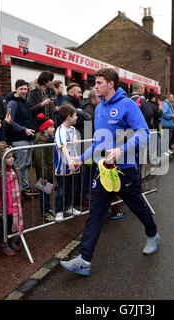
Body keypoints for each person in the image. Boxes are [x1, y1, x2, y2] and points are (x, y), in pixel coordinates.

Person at [60, 68, 159, 276]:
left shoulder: (128, 105)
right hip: (103, 171)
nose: (95, 86)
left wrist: (121, 150)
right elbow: (98, 142)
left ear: (111, 84)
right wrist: (81, 159)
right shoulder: (100, 109)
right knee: (95, 214)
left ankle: (152, 234)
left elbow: (144, 133)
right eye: (95, 83)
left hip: (125, 170)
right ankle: (85, 260)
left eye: (99, 82)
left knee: (138, 207)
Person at [0, 142, 24, 256]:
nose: (12, 159)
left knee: (12, 226)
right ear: (1, 159)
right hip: (5, 206)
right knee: (5, 227)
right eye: (9, 157)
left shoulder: (12, 169)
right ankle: (4, 244)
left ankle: (10, 241)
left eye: (12, 156)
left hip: (14, 204)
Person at [7, 79, 37, 198]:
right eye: (21, 89)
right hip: (19, 139)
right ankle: (18, 189)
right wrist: (24, 130)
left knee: (26, 165)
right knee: (19, 166)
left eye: (26, 89)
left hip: (28, 138)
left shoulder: (25, 102)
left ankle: (24, 188)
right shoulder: (12, 103)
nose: (24, 91)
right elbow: (9, 121)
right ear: (16, 89)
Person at [53, 103, 82, 222]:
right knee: (61, 190)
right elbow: (62, 146)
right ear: (68, 117)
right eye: (75, 115)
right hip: (63, 165)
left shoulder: (74, 129)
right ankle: (59, 211)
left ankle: (69, 207)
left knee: (72, 187)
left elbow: (75, 143)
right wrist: (69, 160)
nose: (77, 118)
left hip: (73, 163)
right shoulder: (60, 130)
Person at [33, 113, 56, 222]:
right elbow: (40, 161)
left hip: (48, 172)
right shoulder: (40, 142)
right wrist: (44, 176)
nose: (53, 129)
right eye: (51, 127)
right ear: (44, 129)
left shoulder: (48, 139)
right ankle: (44, 213)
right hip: (44, 174)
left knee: (48, 192)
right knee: (44, 194)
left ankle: (47, 209)